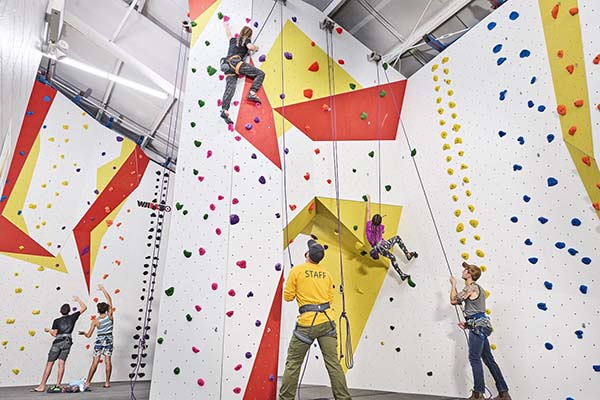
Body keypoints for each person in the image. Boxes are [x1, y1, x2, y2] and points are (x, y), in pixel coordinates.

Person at [279, 239, 352, 400]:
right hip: (327, 322)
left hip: (307, 324)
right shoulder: (326, 273)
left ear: (308, 254)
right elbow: (330, 299)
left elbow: (287, 297)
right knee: (333, 364)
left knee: (293, 364)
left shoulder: (297, 271)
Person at [450, 262, 511, 400]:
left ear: (470, 274)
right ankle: (504, 393)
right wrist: (467, 324)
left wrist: (453, 285)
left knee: (474, 358)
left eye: (465, 270)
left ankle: (478, 394)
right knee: (489, 359)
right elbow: (478, 311)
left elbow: (453, 301)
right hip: (481, 325)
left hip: (478, 327)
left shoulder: (471, 287)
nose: (463, 271)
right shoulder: (480, 289)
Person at [31, 296, 87, 393]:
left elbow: (54, 334)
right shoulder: (73, 317)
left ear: (60, 311)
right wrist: (78, 300)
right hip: (68, 342)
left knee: (50, 363)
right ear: (69, 311)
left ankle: (42, 385)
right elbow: (84, 307)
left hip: (58, 342)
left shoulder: (56, 321)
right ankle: (58, 385)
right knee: (61, 363)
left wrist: (48, 330)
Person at [365, 194, 417, 287]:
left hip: (378, 247)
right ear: (379, 222)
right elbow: (382, 232)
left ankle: (402, 273)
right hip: (382, 246)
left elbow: (368, 212)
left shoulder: (368, 225)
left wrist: (368, 200)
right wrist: (369, 199)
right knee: (397, 239)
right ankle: (407, 255)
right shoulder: (380, 228)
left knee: (392, 257)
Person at [219, 22, 265, 125]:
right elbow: (250, 47)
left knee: (230, 89)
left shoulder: (233, 40)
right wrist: (256, 48)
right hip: (236, 63)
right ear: (248, 35)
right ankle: (252, 93)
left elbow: (228, 33)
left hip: (227, 66)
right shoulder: (245, 40)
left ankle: (225, 110)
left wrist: (226, 26)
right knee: (260, 74)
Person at [79, 284, 115, 389]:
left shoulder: (95, 321)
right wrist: (103, 289)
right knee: (108, 360)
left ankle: (88, 382)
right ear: (107, 309)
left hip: (99, 340)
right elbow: (109, 300)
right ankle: (107, 382)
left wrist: (84, 333)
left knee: (95, 361)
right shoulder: (110, 316)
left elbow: (89, 335)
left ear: (98, 310)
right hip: (109, 339)